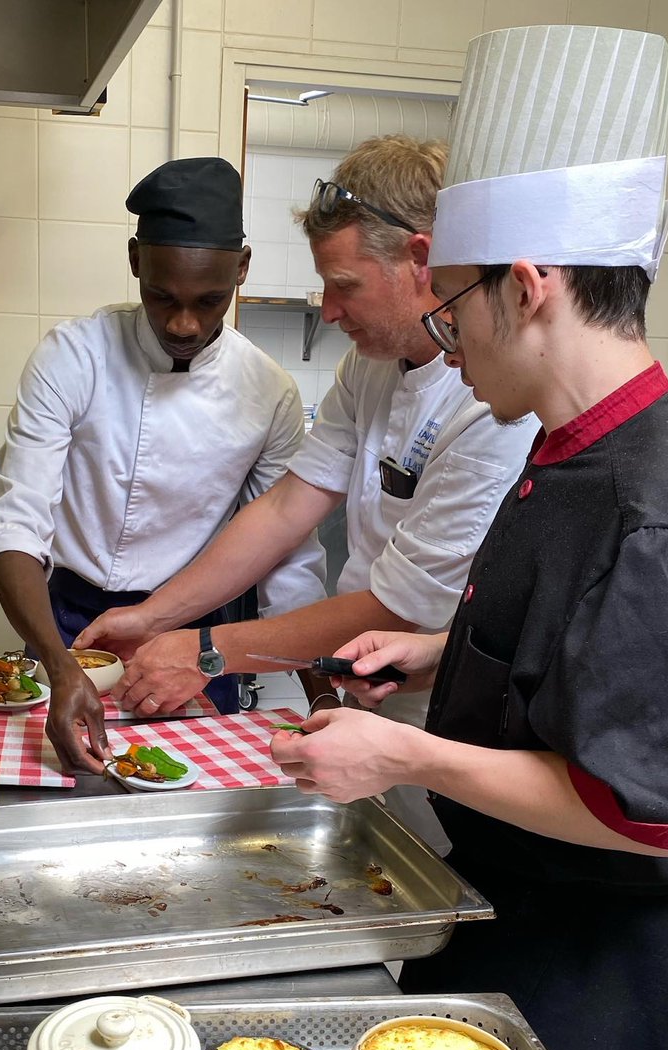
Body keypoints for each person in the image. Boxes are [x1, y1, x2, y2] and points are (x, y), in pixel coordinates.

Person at [269, 25, 668, 1050]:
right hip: (509, 919)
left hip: (591, 989)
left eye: (453, 305)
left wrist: (404, 753)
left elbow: (650, 818)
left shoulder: (649, 509)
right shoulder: (570, 454)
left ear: (528, 288)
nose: (442, 336)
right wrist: (439, 657)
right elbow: (576, 670)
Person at [76, 134, 534, 846]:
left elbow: (401, 608)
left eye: (343, 286)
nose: (327, 310)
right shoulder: (370, 367)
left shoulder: (488, 400)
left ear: (420, 260)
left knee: (440, 880)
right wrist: (153, 617)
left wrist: (204, 650)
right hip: (365, 692)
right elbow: (288, 508)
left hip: (447, 721)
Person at [0, 157, 327, 773]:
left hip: (187, 632)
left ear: (242, 269)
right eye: (161, 297)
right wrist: (58, 663)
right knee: (58, 782)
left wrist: (324, 698)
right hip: (67, 623)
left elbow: (289, 561)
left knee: (192, 795)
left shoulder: (268, 391)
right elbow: (15, 524)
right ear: (136, 260)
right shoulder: (72, 357)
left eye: (211, 300)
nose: (184, 323)